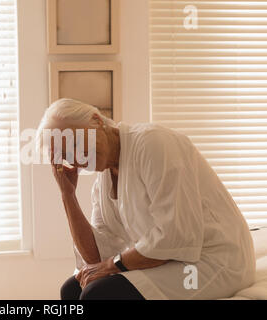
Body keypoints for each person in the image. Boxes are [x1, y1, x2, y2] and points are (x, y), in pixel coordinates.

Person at [35, 98, 256, 300]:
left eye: (75, 144)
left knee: (97, 294)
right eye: (67, 156)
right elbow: (95, 258)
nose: (77, 158)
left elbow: (175, 237)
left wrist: (112, 266)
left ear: (96, 121)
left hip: (211, 264)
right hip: (171, 262)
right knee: (72, 289)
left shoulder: (153, 143)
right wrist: (68, 194)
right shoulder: (102, 183)